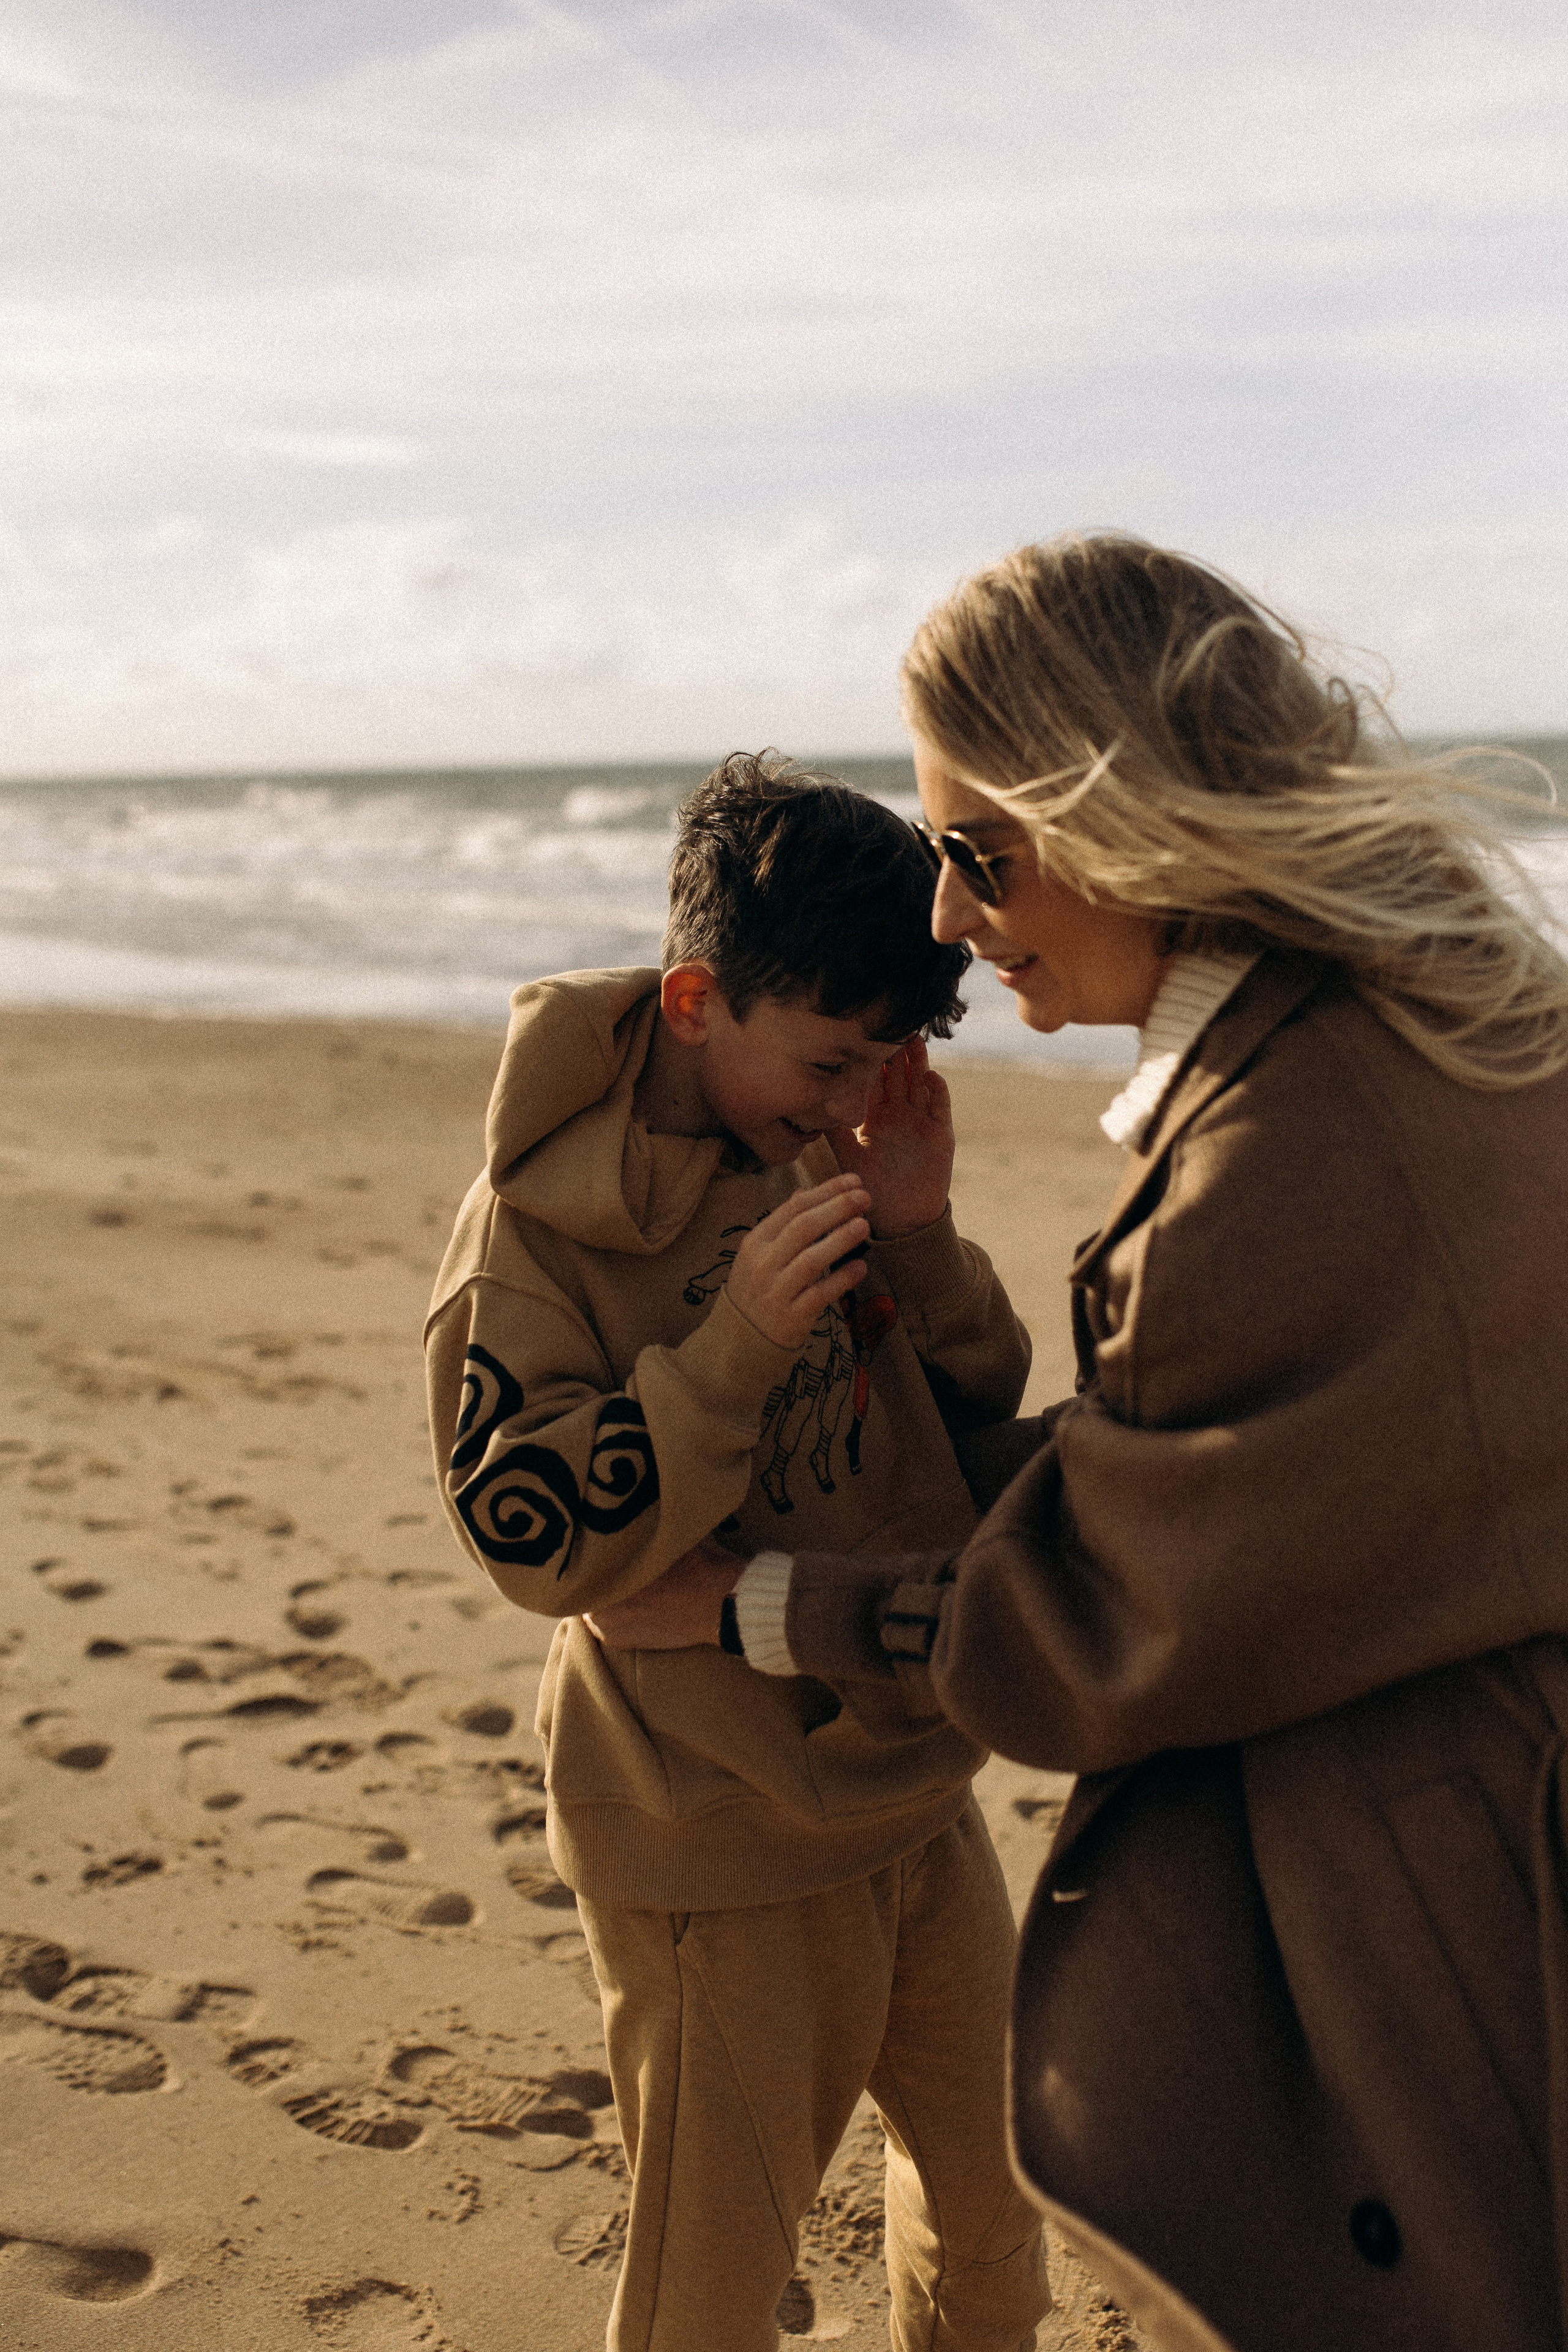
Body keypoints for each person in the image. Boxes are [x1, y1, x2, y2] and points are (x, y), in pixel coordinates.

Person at [589, 539, 1568, 2352]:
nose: (952, 922)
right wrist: (926, 1262)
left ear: (1121, 814)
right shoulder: (1429, 1026)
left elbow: (1104, 1613)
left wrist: (764, 1610)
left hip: (1438, 1914)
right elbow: (1220, 1471)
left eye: (979, 854)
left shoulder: (1284, 1152)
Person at [424, 752, 1051, 2352]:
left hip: (915, 1792)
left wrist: (913, 1228)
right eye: (830, 1062)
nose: (848, 1105)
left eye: (879, 1066)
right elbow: (548, 1551)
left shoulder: (827, 1138)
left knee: (999, 2219)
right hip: (715, 1839)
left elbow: (964, 1422)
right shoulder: (535, 1236)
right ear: (697, 999)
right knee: (711, 2291)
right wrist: (733, 1353)